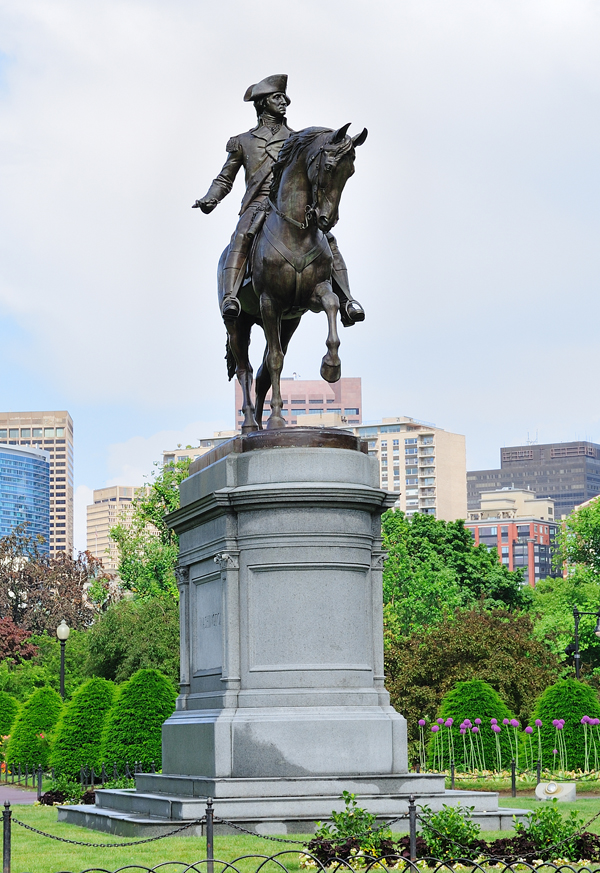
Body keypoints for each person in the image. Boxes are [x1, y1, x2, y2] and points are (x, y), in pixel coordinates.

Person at [193, 74, 365, 326]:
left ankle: (347, 300)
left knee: (328, 238)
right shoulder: (243, 141)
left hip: (292, 204)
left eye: (284, 98)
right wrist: (210, 198)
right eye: (277, 98)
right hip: (257, 203)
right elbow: (225, 179)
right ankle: (230, 297)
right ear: (263, 103)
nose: (284, 102)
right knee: (241, 236)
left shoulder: (298, 139)